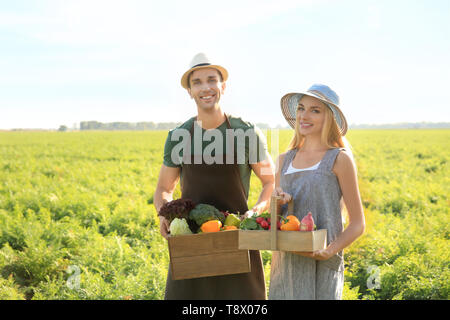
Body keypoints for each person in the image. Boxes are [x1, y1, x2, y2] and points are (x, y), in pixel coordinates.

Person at [154, 53, 275, 300]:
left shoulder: (245, 132)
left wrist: (255, 211)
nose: (205, 87)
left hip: (238, 239)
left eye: (211, 80)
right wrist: (164, 214)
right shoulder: (179, 135)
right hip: (192, 245)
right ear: (189, 91)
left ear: (223, 86)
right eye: (197, 82)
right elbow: (164, 189)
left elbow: (270, 181)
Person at [268, 84, 365, 300]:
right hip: (286, 264)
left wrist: (330, 251)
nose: (304, 115)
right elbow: (274, 218)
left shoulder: (339, 159)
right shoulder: (284, 161)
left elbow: (358, 224)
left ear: (329, 118)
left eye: (315, 110)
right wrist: (277, 203)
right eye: (301, 108)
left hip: (323, 264)